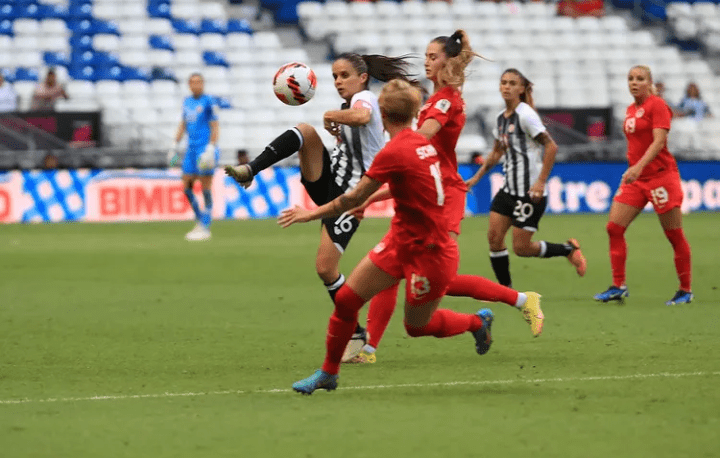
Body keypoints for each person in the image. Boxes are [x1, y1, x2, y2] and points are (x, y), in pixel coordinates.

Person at [279, 79, 494, 395]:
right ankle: (328, 373)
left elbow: (349, 199)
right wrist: (371, 200)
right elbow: (405, 184)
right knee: (347, 302)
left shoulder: (394, 151)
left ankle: (476, 323)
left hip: (431, 251)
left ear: (381, 112)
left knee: (417, 326)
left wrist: (309, 213)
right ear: (415, 112)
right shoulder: (423, 144)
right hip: (400, 241)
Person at [345, 32, 544, 365]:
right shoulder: (438, 97)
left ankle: (522, 300)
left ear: (447, 62)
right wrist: (372, 195)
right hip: (427, 187)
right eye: (425, 55)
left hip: (441, 196)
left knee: (434, 277)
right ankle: (369, 348)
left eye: (433, 56)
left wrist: (391, 153)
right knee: (394, 268)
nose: (426, 61)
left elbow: (421, 142)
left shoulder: (443, 101)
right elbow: (416, 160)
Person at [225, 52, 418, 346]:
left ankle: (354, 331)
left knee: (326, 268)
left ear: (362, 78)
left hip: (350, 196)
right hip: (329, 181)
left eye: (344, 76)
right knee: (304, 131)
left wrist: (331, 115)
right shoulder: (351, 103)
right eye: (335, 77)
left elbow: (363, 116)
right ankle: (250, 170)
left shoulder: (363, 99)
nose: (338, 82)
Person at [465, 68, 587, 288]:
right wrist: (475, 178)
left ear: (521, 89)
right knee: (494, 239)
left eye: (512, 83)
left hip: (529, 193)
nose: (507, 87)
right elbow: (496, 153)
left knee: (522, 249)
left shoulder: (526, 115)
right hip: (508, 190)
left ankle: (568, 250)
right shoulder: (500, 118)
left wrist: (540, 182)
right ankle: (506, 291)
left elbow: (551, 146)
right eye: (503, 82)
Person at [594, 65, 693, 306]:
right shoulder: (630, 109)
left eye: (640, 79)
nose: (634, 83)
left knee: (674, 234)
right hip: (637, 180)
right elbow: (636, 144)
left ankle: (685, 289)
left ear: (649, 83)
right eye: (630, 78)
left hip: (661, 177)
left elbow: (659, 141)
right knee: (614, 228)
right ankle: (619, 286)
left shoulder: (657, 105)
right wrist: (632, 169)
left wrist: (638, 166)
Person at [168, 73, 220, 241]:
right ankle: (200, 220)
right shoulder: (187, 102)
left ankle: (206, 225)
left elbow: (215, 126)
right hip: (190, 150)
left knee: (205, 187)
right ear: (189, 85)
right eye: (193, 82)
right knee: (187, 187)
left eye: (199, 82)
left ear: (203, 84)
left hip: (204, 150)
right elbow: (183, 124)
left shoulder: (209, 102)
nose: (196, 85)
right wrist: (175, 145)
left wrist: (211, 147)